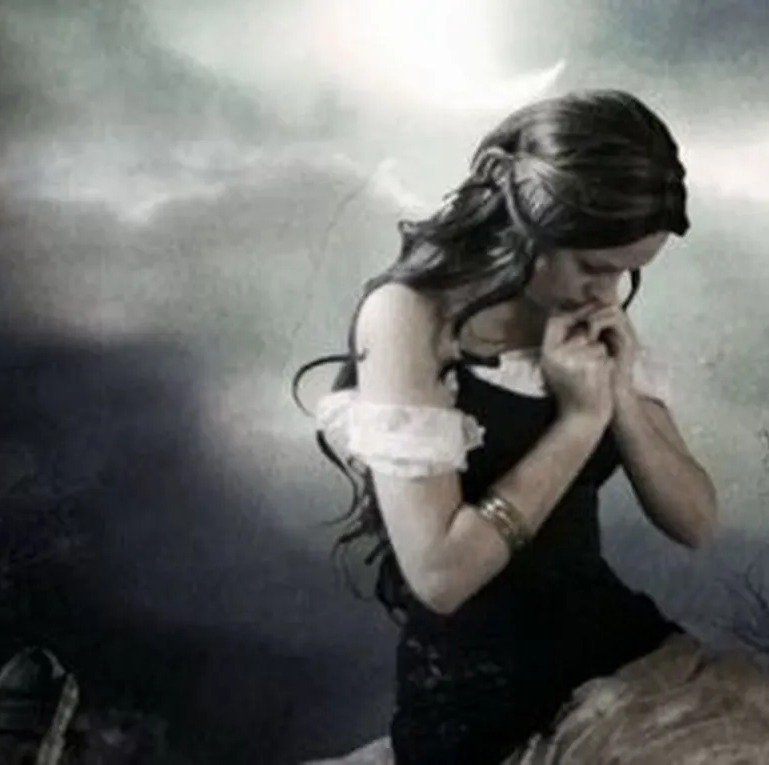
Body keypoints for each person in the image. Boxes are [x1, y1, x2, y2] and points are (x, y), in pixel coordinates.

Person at [294, 89, 718, 764]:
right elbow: (441, 574)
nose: (609, 294)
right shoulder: (409, 316)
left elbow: (696, 521)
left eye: (628, 273)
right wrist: (578, 423)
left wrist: (618, 390)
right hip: (484, 699)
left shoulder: (585, 315)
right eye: (593, 267)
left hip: (613, 649)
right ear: (524, 211)